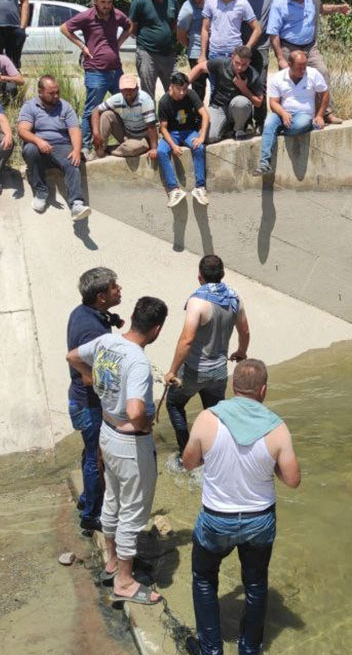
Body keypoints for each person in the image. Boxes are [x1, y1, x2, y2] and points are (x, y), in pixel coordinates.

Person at [181, 359, 300, 655]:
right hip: (259, 520)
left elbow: (188, 462)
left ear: (234, 387)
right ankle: (249, 648)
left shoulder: (208, 418)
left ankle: (210, 649)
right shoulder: (277, 428)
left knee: (205, 580)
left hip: (216, 519)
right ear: (263, 390)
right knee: (257, 585)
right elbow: (293, 480)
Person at [67, 296, 170, 606]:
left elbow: (72, 356)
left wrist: (92, 378)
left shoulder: (106, 341)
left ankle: (113, 562)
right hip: (130, 441)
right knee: (133, 513)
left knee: (112, 500)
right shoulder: (137, 360)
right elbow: (136, 409)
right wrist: (145, 421)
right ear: (157, 329)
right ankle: (125, 581)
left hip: (107, 432)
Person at [164, 254, 249, 459]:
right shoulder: (233, 297)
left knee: (174, 404)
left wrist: (172, 371)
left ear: (199, 277)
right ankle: (216, 454)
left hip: (194, 371)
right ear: (222, 275)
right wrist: (241, 352)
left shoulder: (197, 302)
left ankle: (187, 454)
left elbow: (186, 340)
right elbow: (244, 331)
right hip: (219, 372)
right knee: (214, 415)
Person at [67, 267, 125, 533]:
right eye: (115, 287)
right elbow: (84, 367)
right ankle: (92, 515)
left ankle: (86, 500)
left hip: (81, 401)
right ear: (101, 296)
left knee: (90, 453)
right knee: (95, 459)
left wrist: (111, 319)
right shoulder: (92, 332)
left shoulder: (84, 312)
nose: (119, 289)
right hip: (89, 404)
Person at [264, 0, 349, 123]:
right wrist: (281, 58)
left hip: (310, 46)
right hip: (289, 47)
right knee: (289, 81)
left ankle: (325, 113)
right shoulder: (279, 3)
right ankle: (284, 116)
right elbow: (273, 33)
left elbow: (319, 8)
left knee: (322, 72)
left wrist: (338, 8)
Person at [61, 0, 131, 141]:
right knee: (91, 110)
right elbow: (64, 28)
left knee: (126, 105)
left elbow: (129, 26)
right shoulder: (87, 16)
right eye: (103, 3)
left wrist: (118, 43)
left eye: (109, 2)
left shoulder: (117, 14)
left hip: (116, 70)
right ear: (95, 1)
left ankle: (128, 138)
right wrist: (82, 46)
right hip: (95, 71)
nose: (106, 6)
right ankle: (86, 145)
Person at [17, 75, 88, 219]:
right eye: (51, 93)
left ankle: (77, 204)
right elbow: (22, 130)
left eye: (58, 92)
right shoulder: (30, 106)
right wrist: (38, 141)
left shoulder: (65, 106)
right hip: (39, 146)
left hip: (61, 145)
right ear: (40, 92)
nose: (56, 96)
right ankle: (41, 192)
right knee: (30, 150)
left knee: (73, 160)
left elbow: (74, 130)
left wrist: (76, 150)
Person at [252, 50, 328, 177]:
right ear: (290, 64)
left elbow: (325, 94)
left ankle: (282, 130)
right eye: (299, 68)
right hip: (283, 112)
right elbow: (273, 103)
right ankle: (264, 164)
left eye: (304, 67)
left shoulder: (313, 74)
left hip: (304, 114)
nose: (303, 71)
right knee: (269, 122)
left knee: (300, 125)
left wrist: (320, 115)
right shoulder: (278, 77)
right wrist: (283, 113)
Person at [234, 0, 284, 129]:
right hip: (242, 47)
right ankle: (245, 122)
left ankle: (261, 121)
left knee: (261, 84)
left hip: (262, 46)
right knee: (242, 82)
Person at [155, 73, 210, 208]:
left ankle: (200, 187)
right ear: (171, 87)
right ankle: (174, 190)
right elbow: (163, 128)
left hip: (189, 131)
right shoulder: (164, 102)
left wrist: (201, 136)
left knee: (199, 147)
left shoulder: (191, 95)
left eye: (185, 89)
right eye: (178, 89)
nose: (182, 92)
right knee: (161, 151)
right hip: (172, 133)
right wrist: (173, 146)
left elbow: (205, 115)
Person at [188, 45, 262, 143]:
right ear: (232, 58)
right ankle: (226, 128)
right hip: (218, 106)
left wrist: (244, 88)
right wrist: (184, 84)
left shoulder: (253, 74)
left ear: (249, 62)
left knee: (241, 102)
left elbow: (259, 103)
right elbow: (200, 67)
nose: (240, 67)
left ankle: (238, 129)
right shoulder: (221, 63)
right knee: (209, 137)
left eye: (244, 64)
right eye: (237, 63)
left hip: (237, 108)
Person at [126, 0, 179, 100]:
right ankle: (150, 121)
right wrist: (150, 38)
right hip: (147, 54)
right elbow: (132, 28)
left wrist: (163, 35)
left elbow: (174, 24)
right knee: (147, 94)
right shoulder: (140, 1)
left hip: (168, 54)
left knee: (175, 91)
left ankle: (169, 120)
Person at [201, 0, 260, 69]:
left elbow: (257, 29)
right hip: (215, 54)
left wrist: (247, 48)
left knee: (234, 84)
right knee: (215, 85)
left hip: (235, 57)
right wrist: (202, 54)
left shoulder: (242, 4)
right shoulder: (210, 1)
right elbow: (205, 29)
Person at [92, 74, 158, 159]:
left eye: (131, 89)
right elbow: (95, 111)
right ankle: (101, 150)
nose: (128, 92)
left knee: (131, 149)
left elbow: (151, 126)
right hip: (127, 134)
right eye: (125, 89)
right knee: (106, 115)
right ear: (121, 90)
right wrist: (96, 133)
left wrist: (154, 149)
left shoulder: (145, 100)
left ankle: (111, 150)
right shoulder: (117, 99)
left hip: (143, 138)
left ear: (137, 88)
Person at [176, 0, 209, 101]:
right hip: (196, 54)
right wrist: (191, 46)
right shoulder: (187, 9)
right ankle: (197, 117)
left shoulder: (211, 2)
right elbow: (180, 35)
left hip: (213, 51)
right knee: (199, 89)